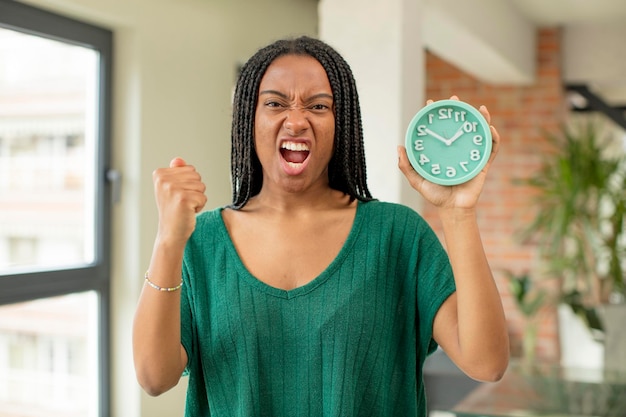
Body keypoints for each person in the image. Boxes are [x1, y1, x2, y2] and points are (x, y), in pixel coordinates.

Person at [132, 36, 509, 417]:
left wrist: (459, 212)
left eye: (318, 106)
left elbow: (487, 363)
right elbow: (153, 377)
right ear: (249, 118)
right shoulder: (201, 242)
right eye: (275, 103)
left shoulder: (398, 236)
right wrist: (168, 239)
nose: (296, 121)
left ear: (341, 123)